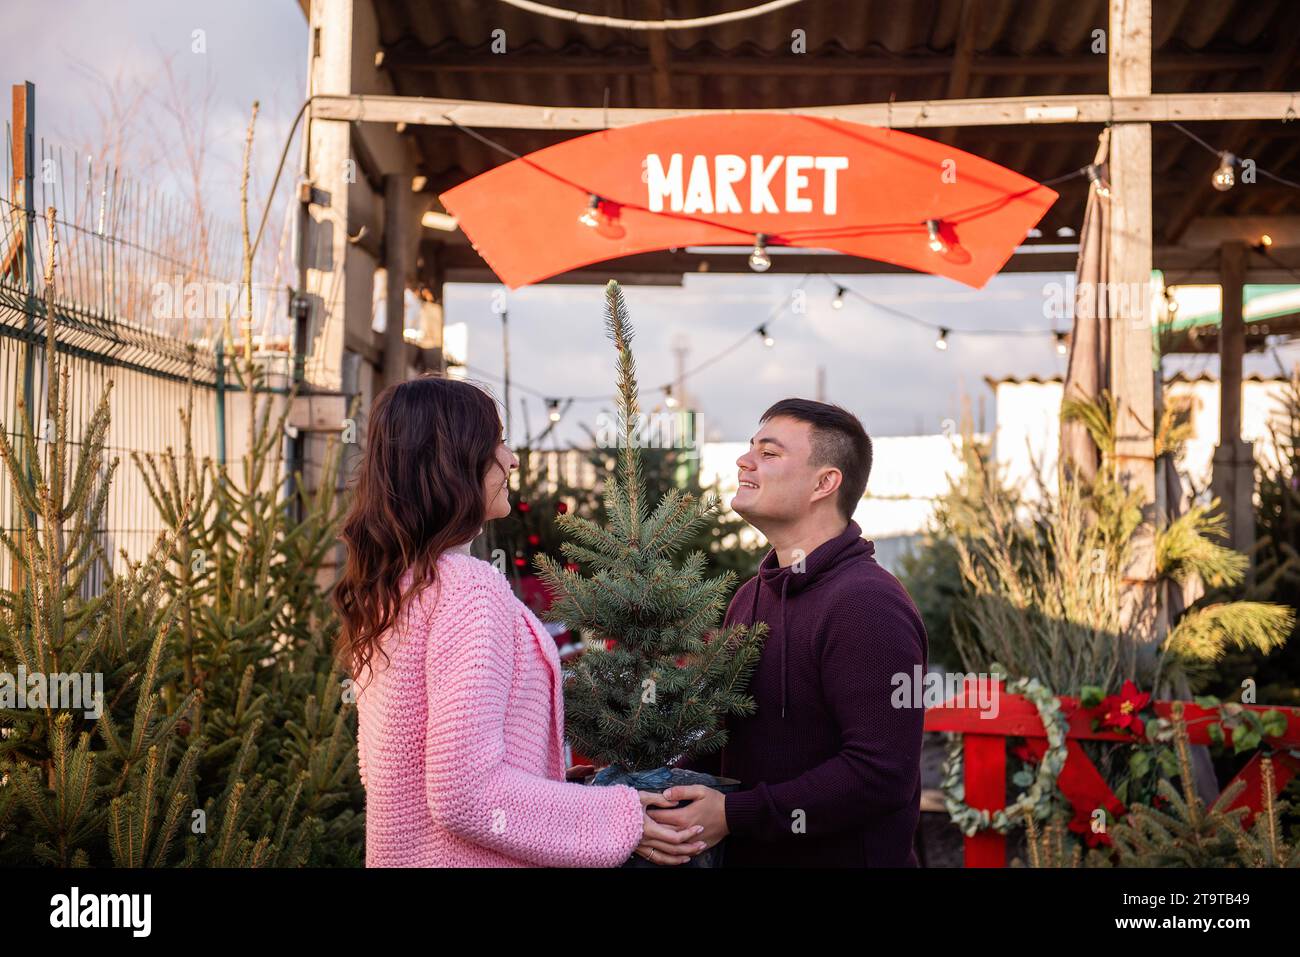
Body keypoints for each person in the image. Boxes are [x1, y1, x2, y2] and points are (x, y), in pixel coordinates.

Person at [333, 375, 704, 867]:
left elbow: (409, 769)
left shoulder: (397, 589)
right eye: (497, 443)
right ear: (454, 459)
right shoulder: (466, 590)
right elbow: (465, 793)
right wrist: (619, 816)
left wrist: (556, 789)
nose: (512, 459)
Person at [650, 398, 929, 867]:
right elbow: (726, 743)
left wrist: (735, 814)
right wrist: (641, 787)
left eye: (770, 452)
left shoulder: (868, 604)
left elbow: (880, 773)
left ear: (825, 482)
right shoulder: (749, 599)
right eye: (749, 449)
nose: (744, 461)